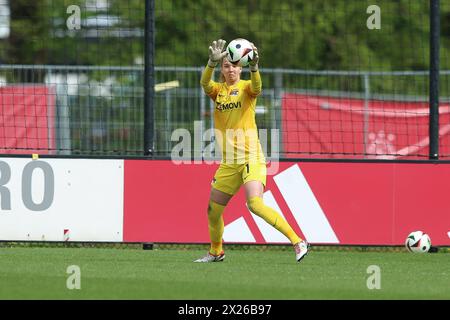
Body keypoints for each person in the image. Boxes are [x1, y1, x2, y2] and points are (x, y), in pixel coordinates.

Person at [194, 39, 309, 263]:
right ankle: (216, 252)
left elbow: (257, 88)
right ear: (223, 69)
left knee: (255, 204)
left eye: (234, 66)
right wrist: (210, 63)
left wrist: (255, 68)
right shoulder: (218, 91)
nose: (230, 69)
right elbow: (204, 84)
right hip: (229, 162)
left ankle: (298, 241)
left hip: (251, 157)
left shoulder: (246, 86)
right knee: (213, 211)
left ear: (241, 66)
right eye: (226, 66)